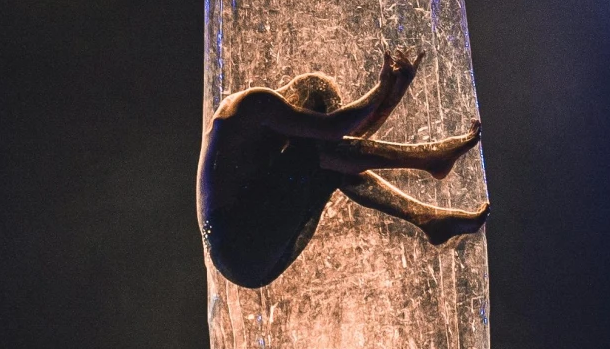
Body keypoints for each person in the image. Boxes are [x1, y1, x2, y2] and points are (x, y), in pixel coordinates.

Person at [198, 48, 488, 289]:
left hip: (251, 257)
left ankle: (427, 218)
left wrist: (394, 91)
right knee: (317, 153)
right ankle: (430, 161)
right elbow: (333, 130)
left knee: (326, 164)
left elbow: (347, 140)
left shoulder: (271, 134)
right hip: (239, 242)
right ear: (301, 105)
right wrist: (382, 87)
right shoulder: (254, 106)